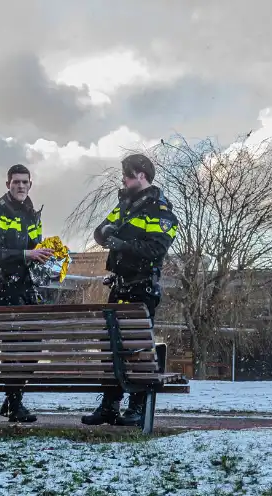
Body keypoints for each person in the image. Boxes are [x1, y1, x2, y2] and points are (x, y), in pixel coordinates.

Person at [82, 153, 179, 427]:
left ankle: (136, 407)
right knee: (112, 347)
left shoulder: (161, 211)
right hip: (119, 286)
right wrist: (108, 234)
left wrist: (121, 243)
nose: (123, 179)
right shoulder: (124, 205)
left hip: (142, 287)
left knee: (137, 350)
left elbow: (156, 250)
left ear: (141, 175)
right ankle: (109, 405)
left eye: (127, 174)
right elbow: (101, 232)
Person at [0, 164, 56, 422]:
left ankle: (13, 397)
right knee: (13, 346)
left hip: (28, 286)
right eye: (16, 182)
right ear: (8, 184)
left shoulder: (32, 214)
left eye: (25, 182)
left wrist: (48, 254)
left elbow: (35, 247)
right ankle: (14, 402)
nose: (20, 186)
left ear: (30, 184)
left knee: (33, 344)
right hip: (6, 287)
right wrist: (27, 254)